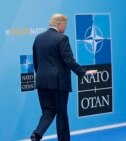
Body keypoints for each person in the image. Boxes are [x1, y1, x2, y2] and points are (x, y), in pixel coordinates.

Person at [31, 13, 97, 141]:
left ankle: (36, 134)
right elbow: (69, 61)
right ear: (59, 24)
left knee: (47, 112)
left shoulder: (38, 38)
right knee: (61, 114)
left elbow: (36, 61)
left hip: (42, 81)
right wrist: (83, 72)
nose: (65, 28)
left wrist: (42, 75)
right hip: (58, 82)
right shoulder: (62, 38)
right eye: (65, 25)